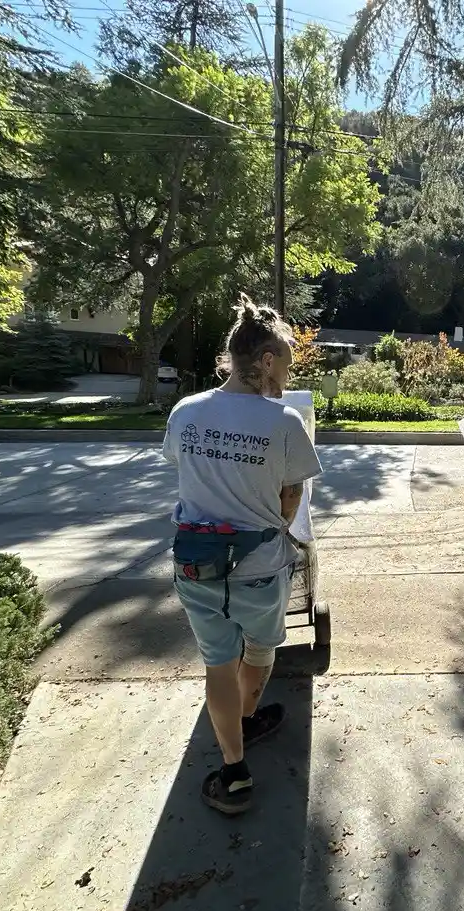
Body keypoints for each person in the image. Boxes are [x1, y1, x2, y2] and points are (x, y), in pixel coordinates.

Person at [162, 296, 322, 815]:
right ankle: (248, 716)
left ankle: (233, 770)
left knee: (217, 663)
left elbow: (183, 469)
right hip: (259, 566)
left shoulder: (187, 411)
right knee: (259, 650)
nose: (287, 376)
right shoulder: (283, 423)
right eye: (288, 363)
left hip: (197, 564)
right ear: (267, 360)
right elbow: (291, 498)